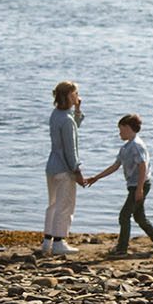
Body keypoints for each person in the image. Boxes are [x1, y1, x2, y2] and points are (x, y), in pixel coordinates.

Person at [88, 113, 153, 257]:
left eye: (121, 129)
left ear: (128, 128)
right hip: (133, 185)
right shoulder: (125, 147)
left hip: (140, 184)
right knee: (139, 217)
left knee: (124, 216)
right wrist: (96, 177)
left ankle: (122, 249)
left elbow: (143, 166)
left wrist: (140, 189)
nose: (119, 132)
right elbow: (115, 165)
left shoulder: (137, 146)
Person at [43, 81, 89, 257]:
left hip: (52, 167)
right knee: (66, 206)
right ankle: (59, 241)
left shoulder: (56, 115)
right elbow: (71, 150)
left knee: (53, 205)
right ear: (70, 96)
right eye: (75, 94)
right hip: (64, 169)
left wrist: (77, 110)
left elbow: (73, 126)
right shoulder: (67, 120)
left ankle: (47, 241)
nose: (78, 97)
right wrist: (77, 172)